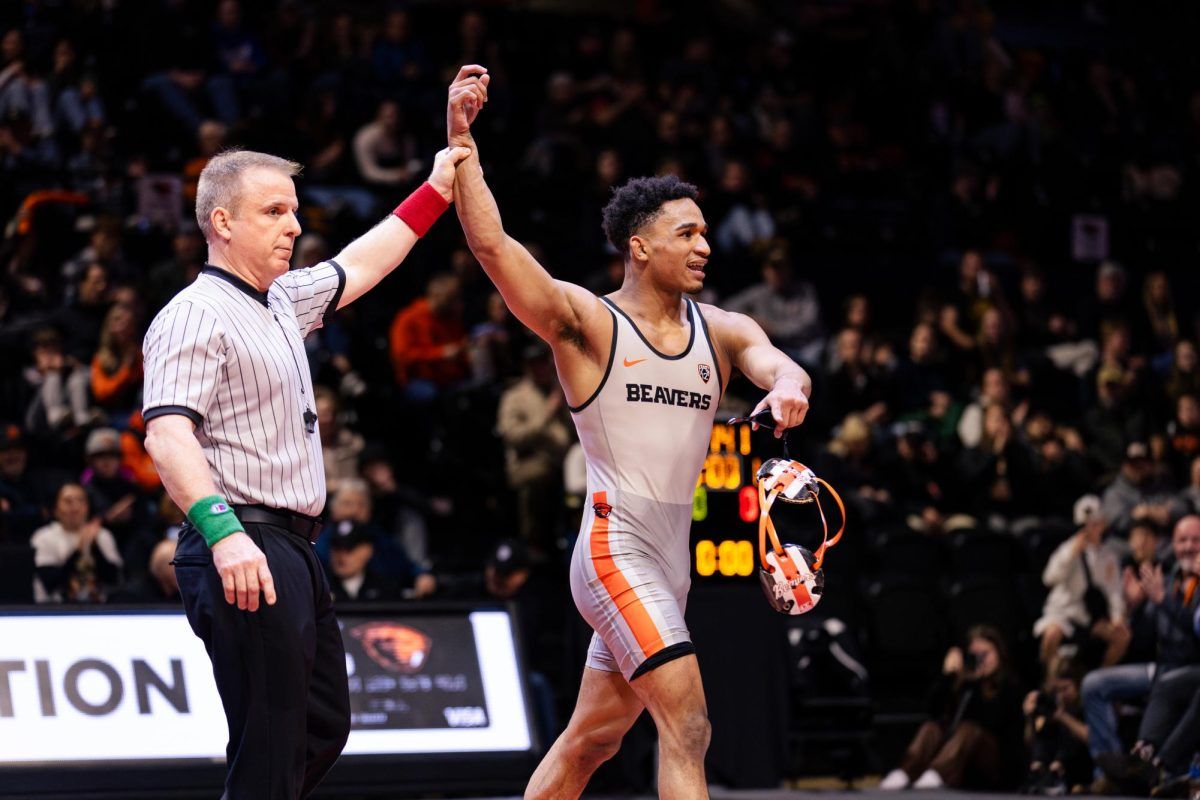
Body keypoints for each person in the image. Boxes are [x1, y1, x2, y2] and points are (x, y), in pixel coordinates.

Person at [447, 66, 811, 799]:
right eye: (687, 233)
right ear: (640, 248)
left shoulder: (724, 328)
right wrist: (462, 143)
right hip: (615, 551)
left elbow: (781, 366)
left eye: (706, 231)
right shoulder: (589, 324)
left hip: (672, 564)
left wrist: (789, 389)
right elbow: (494, 249)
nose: (705, 245)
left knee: (592, 741)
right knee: (689, 725)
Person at [140, 142, 469, 799]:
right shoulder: (191, 314)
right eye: (273, 211)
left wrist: (437, 186)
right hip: (242, 539)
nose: (294, 224)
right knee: (272, 740)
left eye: (293, 210)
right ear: (222, 222)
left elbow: (364, 261)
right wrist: (224, 532)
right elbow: (167, 434)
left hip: (292, 547)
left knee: (321, 728)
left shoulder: (284, 299)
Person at [1081, 515, 1200, 791]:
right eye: (1183, 540)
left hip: (1190, 666)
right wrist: (1134, 608)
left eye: (1196, 540)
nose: (1189, 546)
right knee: (1093, 684)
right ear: (1173, 544)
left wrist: (1163, 602)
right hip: (1161, 666)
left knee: (1170, 683)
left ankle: (1154, 763)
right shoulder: (1165, 579)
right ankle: (1111, 773)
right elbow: (1144, 640)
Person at [878, 625, 1024, 791]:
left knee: (969, 729)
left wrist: (976, 683)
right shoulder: (965, 684)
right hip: (961, 764)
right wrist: (948, 677)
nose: (981, 660)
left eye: (986, 654)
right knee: (931, 728)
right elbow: (933, 711)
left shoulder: (1010, 687)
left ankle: (938, 773)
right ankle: (905, 772)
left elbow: (991, 721)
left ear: (999, 654)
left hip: (996, 766)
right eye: (975, 655)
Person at [1034, 498, 1129, 668]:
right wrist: (1071, 554)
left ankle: (1098, 677)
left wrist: (1117, 616)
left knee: (1122, 637)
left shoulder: (1109, 556)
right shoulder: (1067, 549)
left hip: (1089, 616)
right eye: (1086, 525)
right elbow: (1049, 578)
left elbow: (1114, 590)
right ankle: (1049, 681)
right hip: (1063, 612)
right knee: (1051, 635)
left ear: (1103, 524)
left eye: (1095, 524)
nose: (1091, 529)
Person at [31, 481, 122, 602]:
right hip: (54, 611)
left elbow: (114, 580)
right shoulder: (43, 537)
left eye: (81, 501)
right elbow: (51, 583)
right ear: (56, 509)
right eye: (68, 502)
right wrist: (79, 550)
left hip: (98, 610)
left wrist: (95, 547)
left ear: (88, 507)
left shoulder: (102, 535)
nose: (75, 507)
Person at [1022, 656, 1091, 795]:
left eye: (1065, 689)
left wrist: (1063, 716)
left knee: (1069, 730)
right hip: (1049, 764)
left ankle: (1057, 768)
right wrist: (1030, 718)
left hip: (1081, 766)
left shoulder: (1088, 702)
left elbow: (1092, 738)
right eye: (1056, 690)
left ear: (1078, 684)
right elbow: (1030, 740)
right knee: (1045, 730)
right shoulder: (1051, 703)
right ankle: (1038, 769)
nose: (1061, 695)